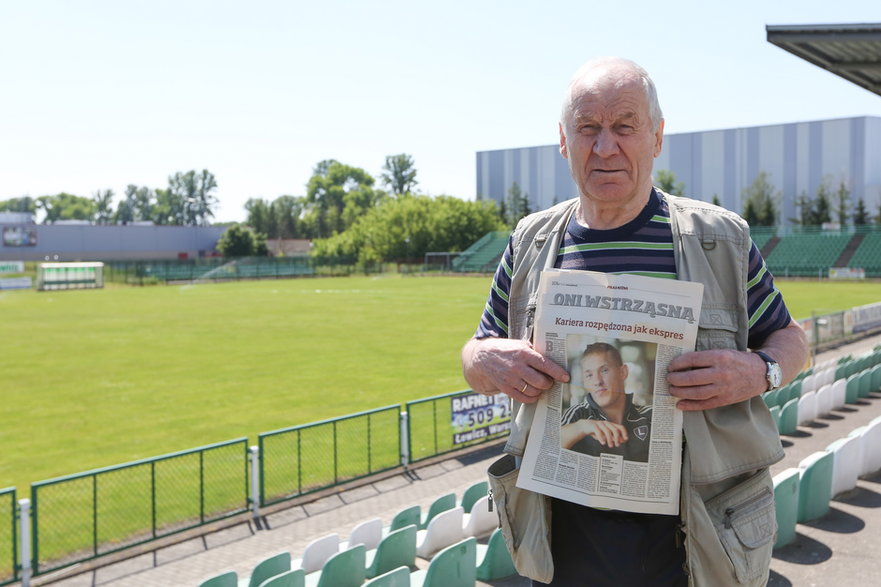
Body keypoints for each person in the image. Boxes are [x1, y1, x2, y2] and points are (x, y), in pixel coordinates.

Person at [462, 57, 808, 586]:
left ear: (657, 137)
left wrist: (761, 372)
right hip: (562, 534)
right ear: (563, 140)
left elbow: (790, 339)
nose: (605, 147)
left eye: (624, 126)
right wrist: (481, 359)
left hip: (692, 536)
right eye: (588, 129)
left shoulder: (719, 240)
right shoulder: (530, 241)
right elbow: (478, 350)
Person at [560, 342, 651, 461]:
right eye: (589, 375)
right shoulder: (578, 414)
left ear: (623, 372)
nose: (597, 381)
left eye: (604, 370)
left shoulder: (650, 415)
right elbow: (548, 448)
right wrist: (581, 427)